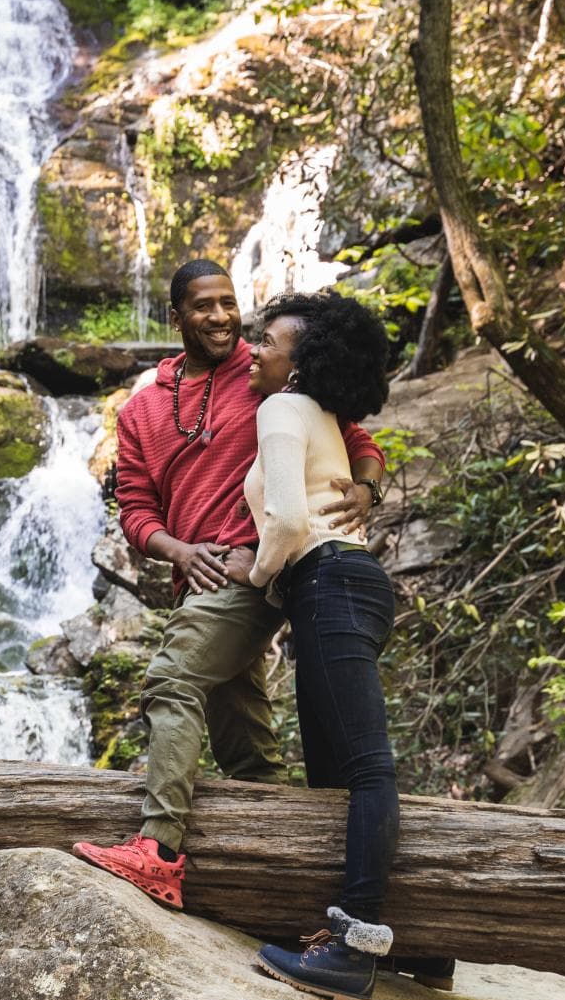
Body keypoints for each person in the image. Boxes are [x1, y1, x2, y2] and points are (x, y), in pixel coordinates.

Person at [72, 259, 387, 910]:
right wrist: (178, 547)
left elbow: (352, 433)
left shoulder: (271, 374)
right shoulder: (144, 410)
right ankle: (291, 893)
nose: (222, 316)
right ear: (176, 316)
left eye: (228, 302)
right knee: (245, 746)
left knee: (173, 676)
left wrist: (365, 485)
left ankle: (157, 850)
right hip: (201, 581)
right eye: (205, 305)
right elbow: (134, 509)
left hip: (252, 572)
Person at [245, 290, 433, 1000]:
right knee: (334, 774)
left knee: (362, 765)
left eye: (268, 340)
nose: (254, 349)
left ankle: (357, 946)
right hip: (345, 583)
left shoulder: (283, 409)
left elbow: (289, 518)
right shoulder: (321, 416)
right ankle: (412, 936)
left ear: (300, 364)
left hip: (324, 579)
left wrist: (261, 578)